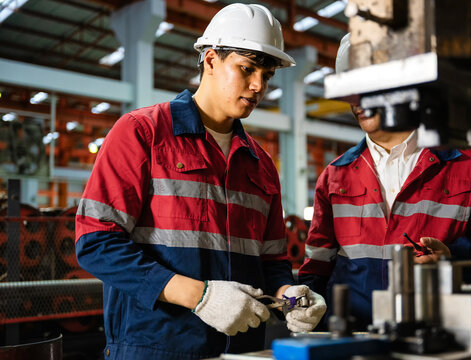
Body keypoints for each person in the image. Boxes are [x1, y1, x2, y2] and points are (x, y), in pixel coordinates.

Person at [75, 4, 326, 359]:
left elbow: (271, 262)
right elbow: (96, 243)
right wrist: (199, 296)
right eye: (247, 69)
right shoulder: (143, 133)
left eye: (267, 76)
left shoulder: (261, 164)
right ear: (210, 60)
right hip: (155, 348)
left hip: (242, 349)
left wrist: (291, 295)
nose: (258, 86)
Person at [298, 33, 471, 331]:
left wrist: (453, 254)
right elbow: (312, 276)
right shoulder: (335, 176)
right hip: (355, 341)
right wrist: (292, 307)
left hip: (440, 339)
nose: (358, 102)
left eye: (369, 88)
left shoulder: (467, 165)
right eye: (350, 90)